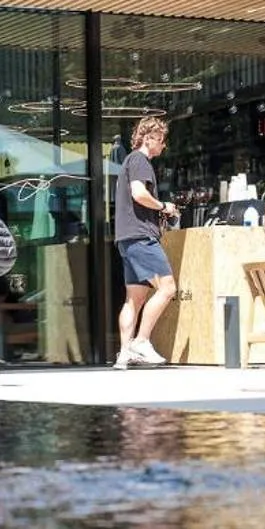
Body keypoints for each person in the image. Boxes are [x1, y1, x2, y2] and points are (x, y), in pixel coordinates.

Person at [114, 116, 178, 369]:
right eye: (161, 140)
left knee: (134, 298)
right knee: (167, 288)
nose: (163, 146)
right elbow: (139, 193)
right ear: (149, 138)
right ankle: (141, 341)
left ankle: (124, 354)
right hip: (141, 236)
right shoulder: (140, 161)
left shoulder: (128, 162)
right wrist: (163, 206)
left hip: (126, 239)